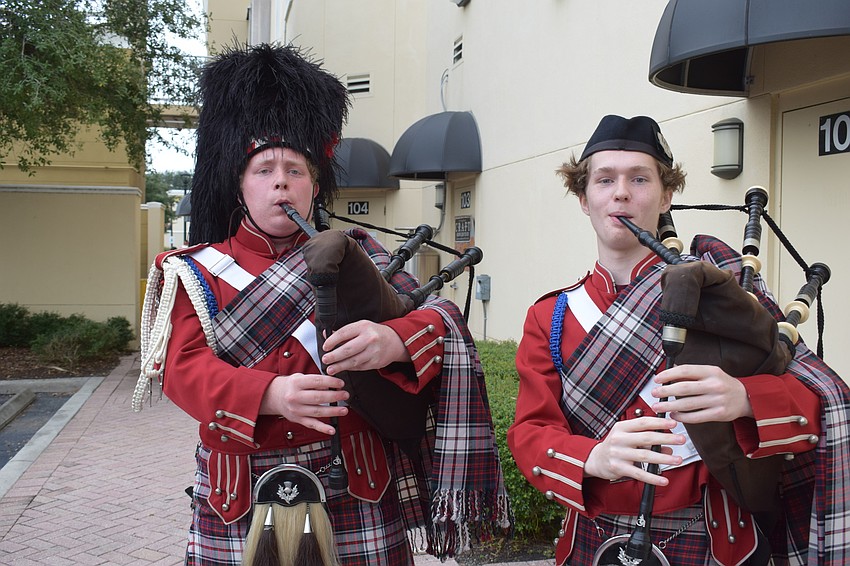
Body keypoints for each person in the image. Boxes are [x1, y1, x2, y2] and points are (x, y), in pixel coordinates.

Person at [135, 43, 510, 566]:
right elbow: (181, 370)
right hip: (239, 490)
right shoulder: (194, 270)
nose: (281, 181)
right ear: (240, 187)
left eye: (295, 170)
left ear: (315, 186)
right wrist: (270, 393)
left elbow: (436, 316)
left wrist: (394, 340)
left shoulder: (355, 252)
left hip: (354, 483)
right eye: (264, 170)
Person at [507, 115, 850, 565]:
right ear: (584, 198)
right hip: (596, 539)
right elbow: (531, 432)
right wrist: (594, 457)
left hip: (716, 536)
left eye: (640, 178)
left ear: (666, 195)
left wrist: (745, 397)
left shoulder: (721, 293)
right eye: (605, 179)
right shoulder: (551, 317)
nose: (622, 192)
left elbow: (816, 398)